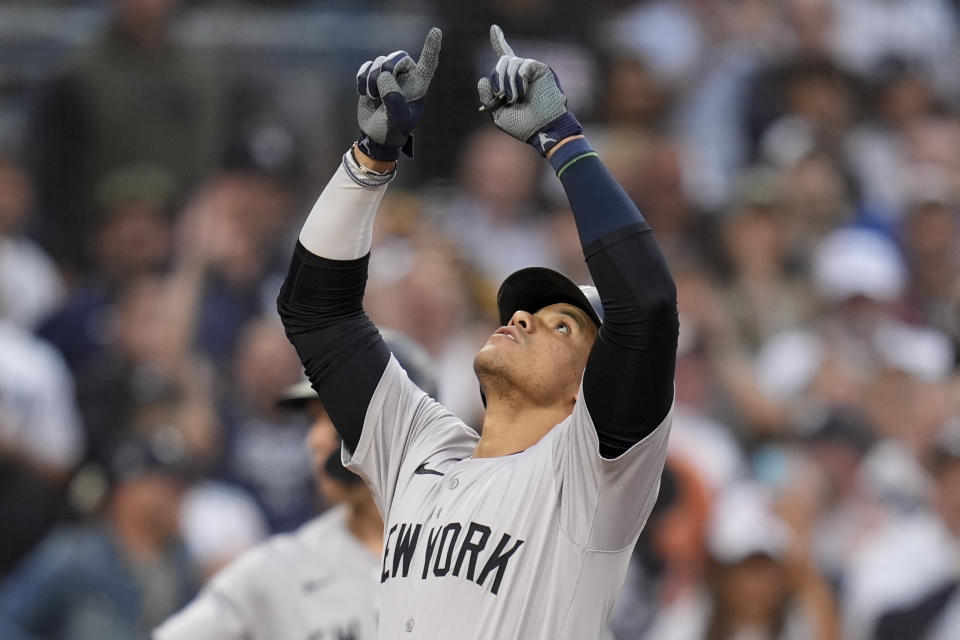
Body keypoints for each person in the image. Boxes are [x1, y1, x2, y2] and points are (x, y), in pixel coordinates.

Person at [276, 25, 678, 639]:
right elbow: (315, 311)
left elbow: (646, 303)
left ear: (590, 388)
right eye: (524, 310)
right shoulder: (420, 448)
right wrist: (369, 160)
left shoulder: (592, 476)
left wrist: (562, 140)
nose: (522, 317)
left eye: (561, 324)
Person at [153, 329, 437, 640]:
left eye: (333, 416)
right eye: (312, 421)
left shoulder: (471, 543)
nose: (314, 440)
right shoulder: (279, 570)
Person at [0, 433, 198, 640]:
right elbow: (6, 621)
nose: (180, 498)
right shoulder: (73, 556)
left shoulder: (180, 564)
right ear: (129, 492)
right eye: (168, 488)